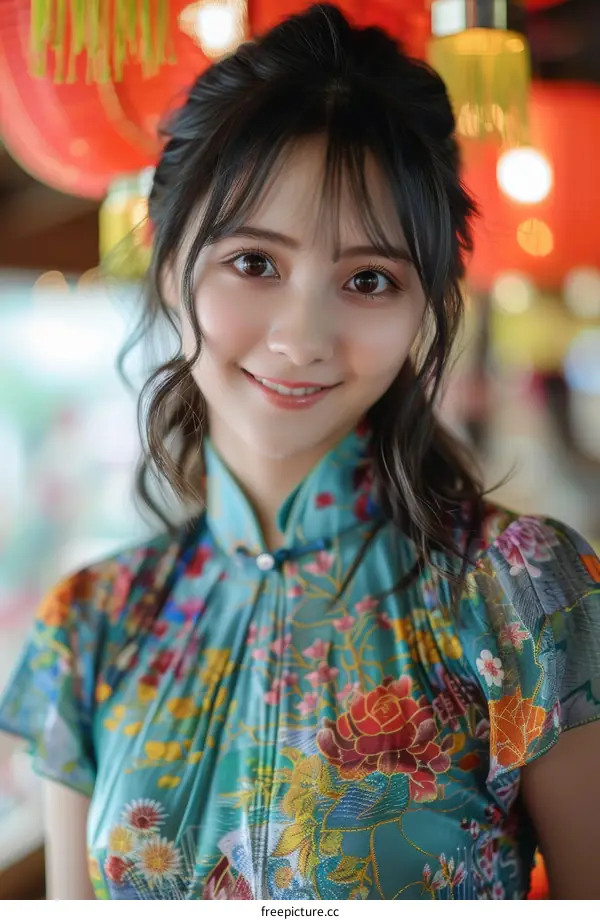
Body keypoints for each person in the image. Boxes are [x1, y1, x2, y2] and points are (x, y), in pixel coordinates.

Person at [1, 4, 599, 901]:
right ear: (170, 265)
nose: (302, 337)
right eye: (254, 262)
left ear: (425, 307)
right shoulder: (92, 625)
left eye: (368, 280)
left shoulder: (520, 590)